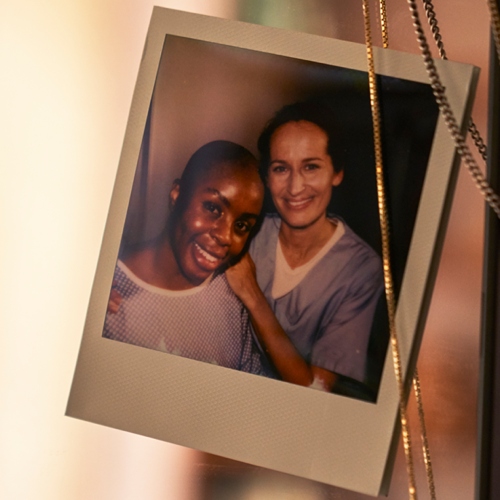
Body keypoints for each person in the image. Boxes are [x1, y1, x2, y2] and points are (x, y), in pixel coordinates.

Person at [226, 100, 384, 392]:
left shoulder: (362, 269)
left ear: (337, 173)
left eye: (311, 167)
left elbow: (314, 389)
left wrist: (252, 293)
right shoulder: (249, 231)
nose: (295, 187)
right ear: (267, 178)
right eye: (281, 169)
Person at [103, 140, 265, 373]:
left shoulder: (230, 295)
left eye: (241, 225)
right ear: (177, 195)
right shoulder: (107, 295)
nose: (226, 237)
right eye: (212, 208)